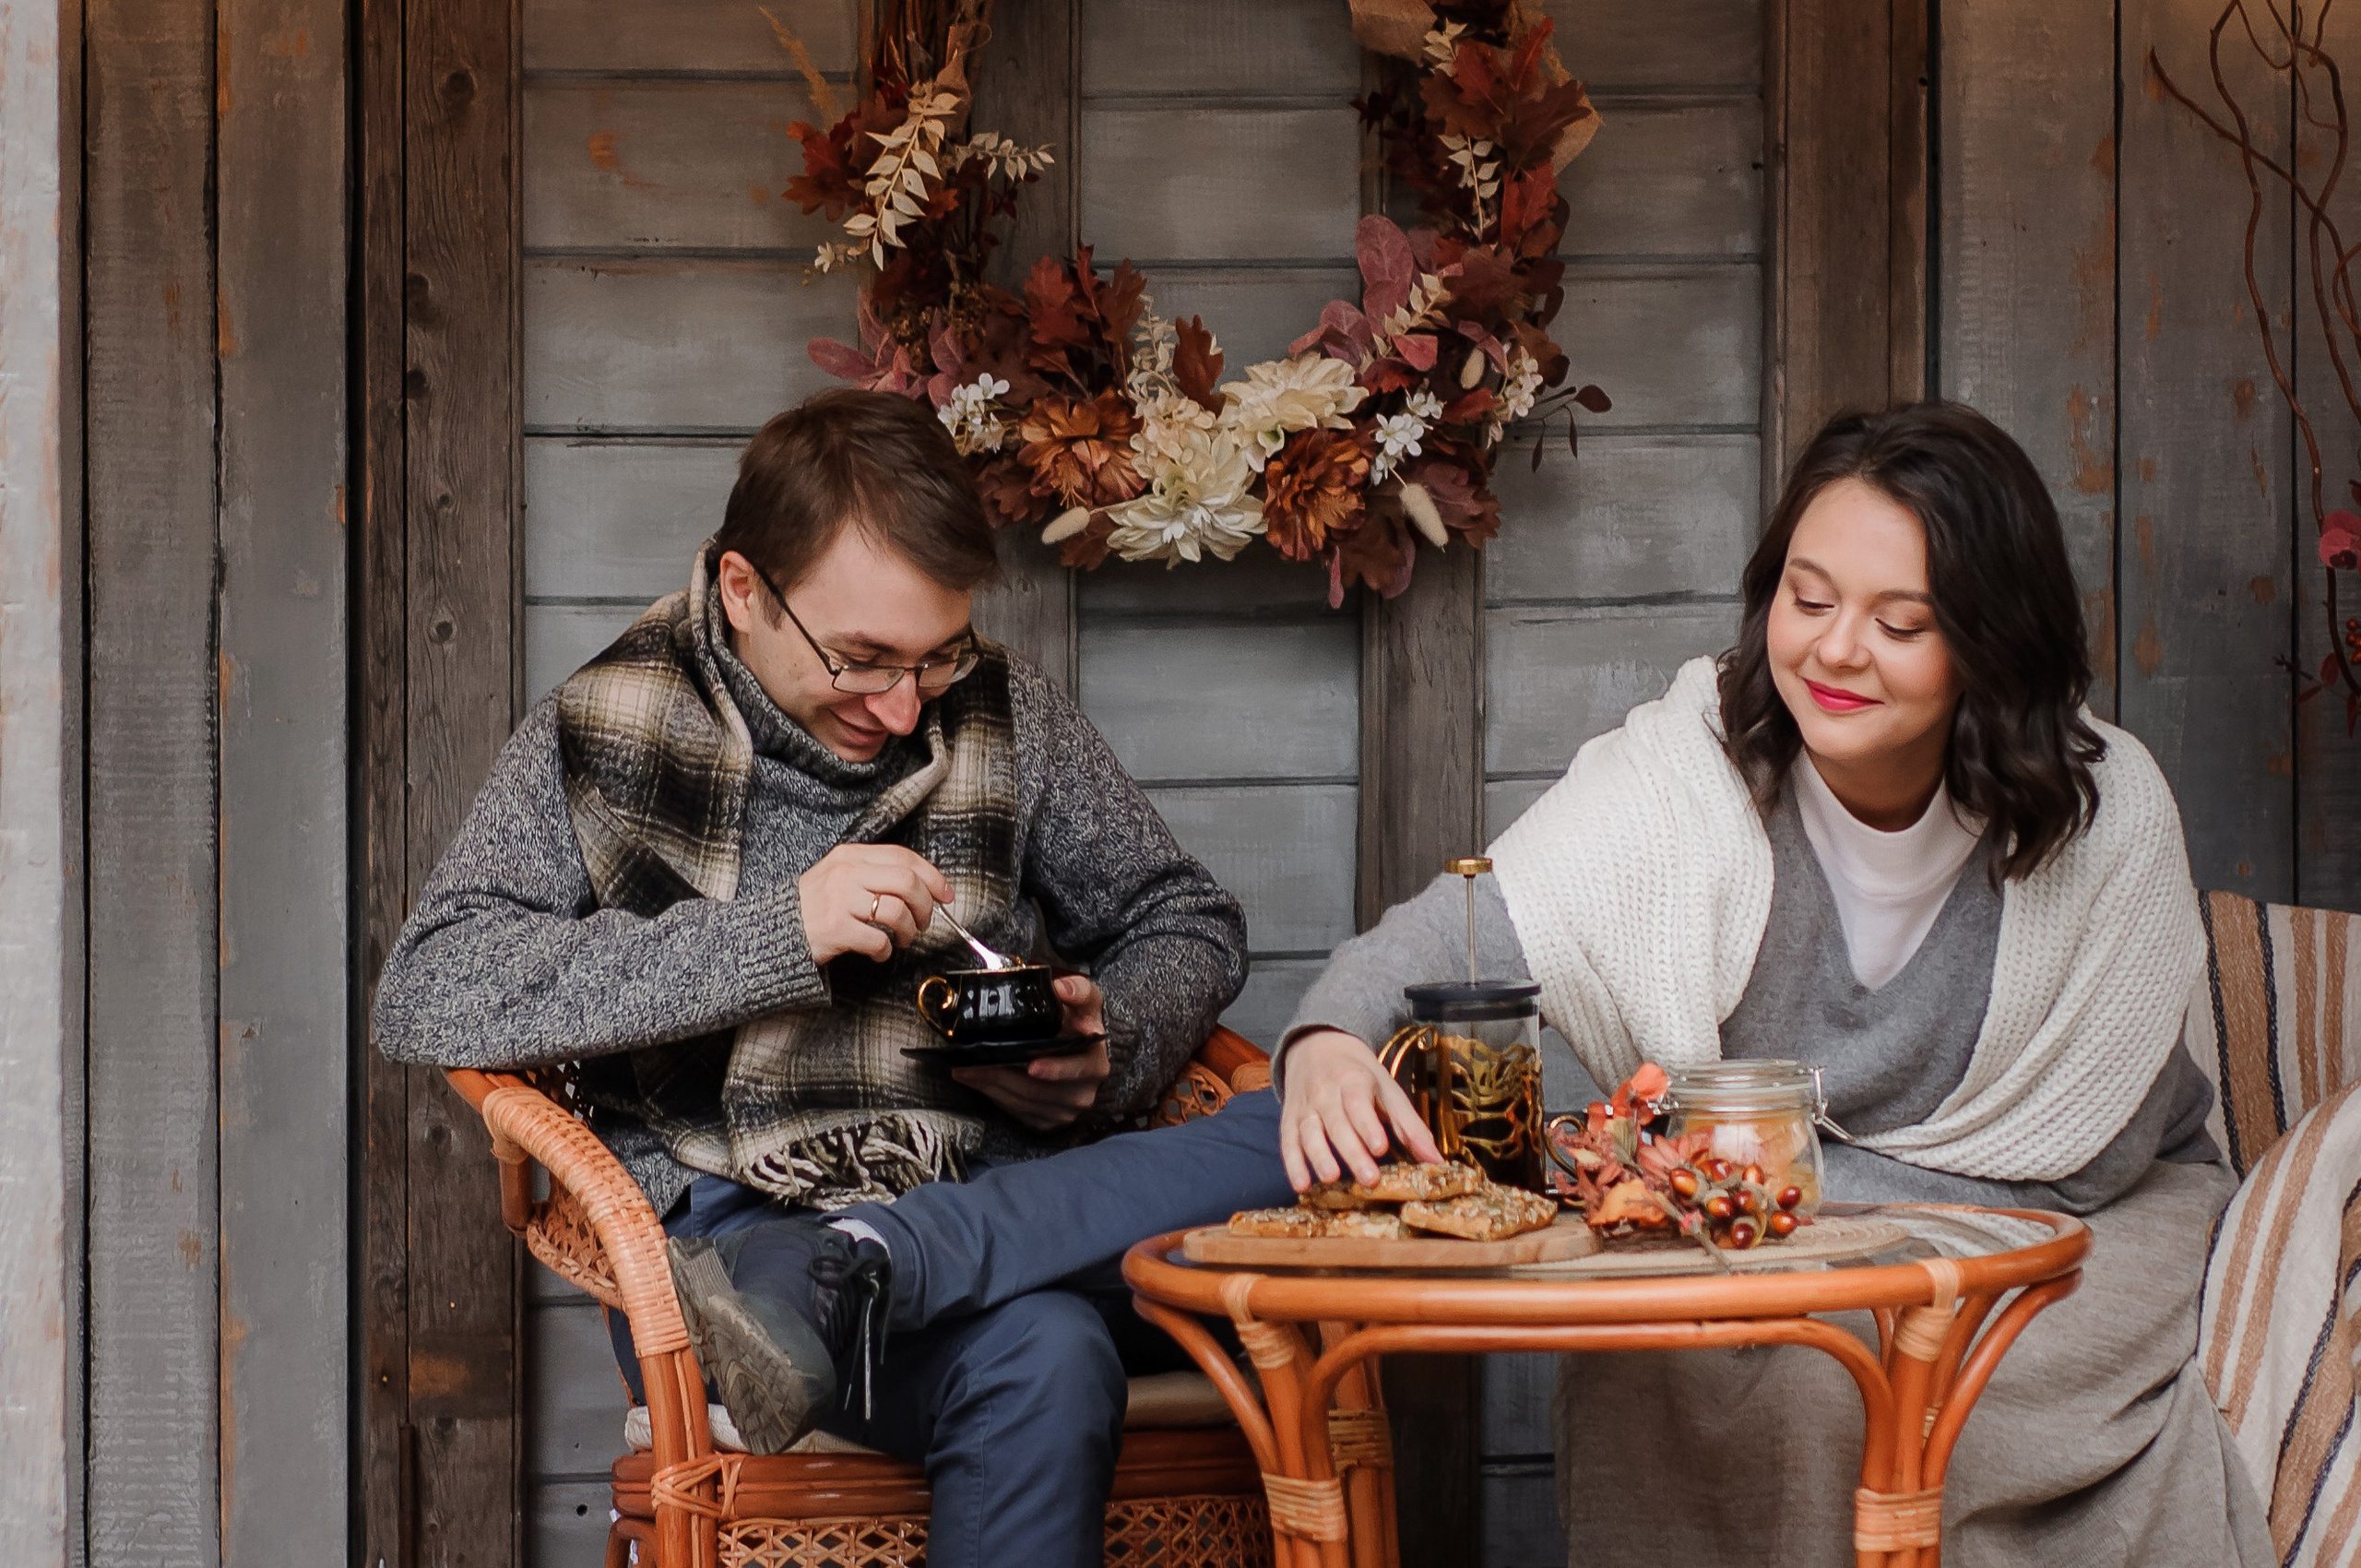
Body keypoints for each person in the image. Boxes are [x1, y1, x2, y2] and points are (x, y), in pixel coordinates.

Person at [1277, 402, 2272, 1566]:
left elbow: (2087, 1155)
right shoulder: (1689, 769)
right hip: (1758, 1240)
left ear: (1992, 645)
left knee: (1834, 1373)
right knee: (1658, 1367)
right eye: (1808, 600)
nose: (1835, 651)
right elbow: (1457, 929)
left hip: (2079, 1227)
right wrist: (1328, 1040)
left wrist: (1748, 1187)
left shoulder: (2107, 810)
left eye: (1900, 622)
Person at [373, 389, 1299, 1568]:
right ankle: (869, 1249)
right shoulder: (602, 728)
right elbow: (431, 983)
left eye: (934, 655)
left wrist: (1109, 1041)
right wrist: (777, 933)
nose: (906, 705)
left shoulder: (1004, 712)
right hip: (750, 1243)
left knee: (1331, 1111)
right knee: (1049, 1351)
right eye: (861, 659)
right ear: (742, 588)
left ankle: (912, 1241)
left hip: (1019, 1198)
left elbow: (1186, 918)